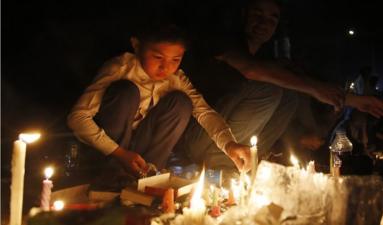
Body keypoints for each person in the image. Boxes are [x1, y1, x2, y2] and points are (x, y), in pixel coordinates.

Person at [177, 0, 383, 170]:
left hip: (228, 147)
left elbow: (299, 79)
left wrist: (352, 100)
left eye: (272, 18)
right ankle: (222, 164)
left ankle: (245, 163)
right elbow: (252, 70)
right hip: (198, 137)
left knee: (289, 95)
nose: (264, 23)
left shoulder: (267, 57)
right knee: (270, 87)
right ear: (244, 14)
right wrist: (316, 89)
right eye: (257, 14)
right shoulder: (223, 41)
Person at [67, 22, 251, 180]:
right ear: (137, 45)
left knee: (181, 102)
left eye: (175, 59)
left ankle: (149, 176)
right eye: (158, 57)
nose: (166, 67)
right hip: (110, 150)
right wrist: (119, 154)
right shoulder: (121, 67)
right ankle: (114, 176)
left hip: (144, 150)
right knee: (126, 92)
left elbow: (205, 113)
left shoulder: (176, 79)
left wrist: (229, 144)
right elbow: (77, 118)